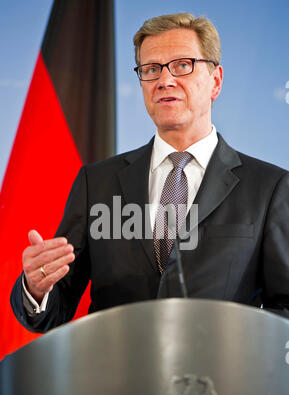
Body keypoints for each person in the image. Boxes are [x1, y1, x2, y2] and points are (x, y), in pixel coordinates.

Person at [11, 13, 289, 333]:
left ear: (215, 81)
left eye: (182, 64)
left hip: (219, 380)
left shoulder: (269, 188)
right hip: (115, 378)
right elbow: (54, 308)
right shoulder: (96, 183)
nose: (165, 80)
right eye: (151, 69)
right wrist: (35, 287)